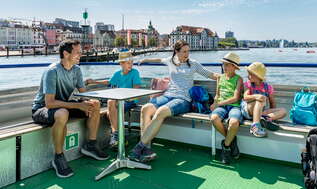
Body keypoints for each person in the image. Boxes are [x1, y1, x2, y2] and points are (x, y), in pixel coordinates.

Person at [128, 40, 220, 162]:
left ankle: (139, 148)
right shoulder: (170, 61)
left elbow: (213, 76)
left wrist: (227, 77)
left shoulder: (193, 64)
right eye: (184, 52)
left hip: (183, 99)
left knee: (160, 112)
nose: (187, 54)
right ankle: (146, 149)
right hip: (168, 95)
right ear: (176, 52)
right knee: (146, 109)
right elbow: (159, 60)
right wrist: (144, 60)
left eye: (188, 51)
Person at [31, 40, 109, 178]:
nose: (81, 55)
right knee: (62, 113)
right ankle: (58, 157)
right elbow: (49, 103)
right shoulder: (52, 71)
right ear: (66, 54)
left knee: (94, 104)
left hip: (63, 105)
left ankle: (90, 145)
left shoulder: (76, 70)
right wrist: (78, 105)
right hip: (42, 109)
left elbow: (83, 94)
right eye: (77, 52)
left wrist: (90, 102)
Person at [86, 52, 141, 148]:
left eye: (131, 62)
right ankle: (119, 137)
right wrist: (93, 81)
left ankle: (116, 135)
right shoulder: (117, 74)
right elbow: (108, 82)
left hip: (130, 100)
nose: (131, 65)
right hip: (118, 101)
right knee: (110, 110)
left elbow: (136, 89)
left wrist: (125, 96)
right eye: (128, 63)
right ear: (121, 64)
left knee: (110, 105)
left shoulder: (135, 72)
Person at [209, 52, 243, 164]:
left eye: (227, 65)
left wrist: (218, 104)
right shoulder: (220, 78)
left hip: (234, 107)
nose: (225, 67)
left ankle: (226, 146)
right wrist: (215, 103)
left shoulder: (239, 79)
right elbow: (217, 94)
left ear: (234, 67)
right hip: (221, 106)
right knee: (214, 118)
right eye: (224, 64)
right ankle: (231, 140)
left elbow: (236, 98)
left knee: (233, 123)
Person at [241, 62, 287, 138]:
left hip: (260, 112)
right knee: (260, 100)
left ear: (257, 76)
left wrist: (274, 115)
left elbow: (272, 103)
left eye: (250, 74)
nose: (248, 76)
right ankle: (255, 126)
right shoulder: (248, 84)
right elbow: (245, 97)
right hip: (248, 110)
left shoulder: (267, 87)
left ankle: (266, 119)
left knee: (283, 111)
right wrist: (257, 96)